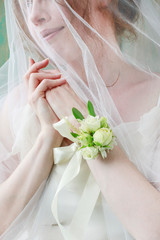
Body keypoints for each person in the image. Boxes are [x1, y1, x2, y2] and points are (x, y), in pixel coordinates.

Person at [0, 0, 160, 239]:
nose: (34, 16)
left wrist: (83, 124)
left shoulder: (154, 100)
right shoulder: (19, 107)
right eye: (26, 4)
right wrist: (47, 138)